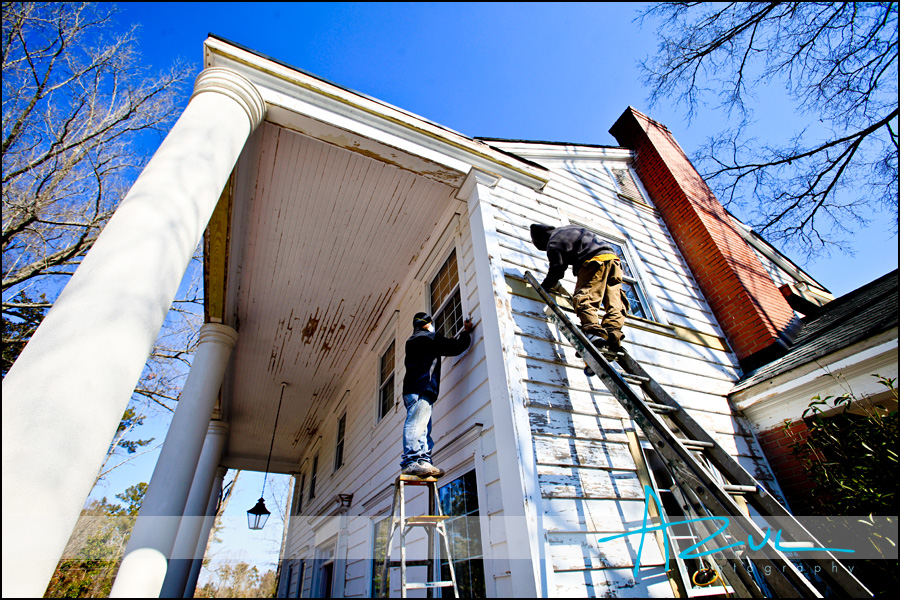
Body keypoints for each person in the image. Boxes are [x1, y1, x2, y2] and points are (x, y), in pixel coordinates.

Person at [529, 223, 629, 355]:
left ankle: (594, 334)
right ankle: (612, 335)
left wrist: (544, 287)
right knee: (615, 303)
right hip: (613, 260)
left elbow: (557, 270)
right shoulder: (570, 229)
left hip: (594, 261)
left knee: (584, 298)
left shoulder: (553, 242)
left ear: (542, 240)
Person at [400, 312, 475, 478]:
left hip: (412, 389)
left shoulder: (412, 341)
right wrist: (466, 332)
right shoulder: (430, 338)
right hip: (422, 388)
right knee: (417, 424)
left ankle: (423, 461)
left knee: (422, 426)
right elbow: (454, 347)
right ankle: (411, 461)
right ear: (427, 324)